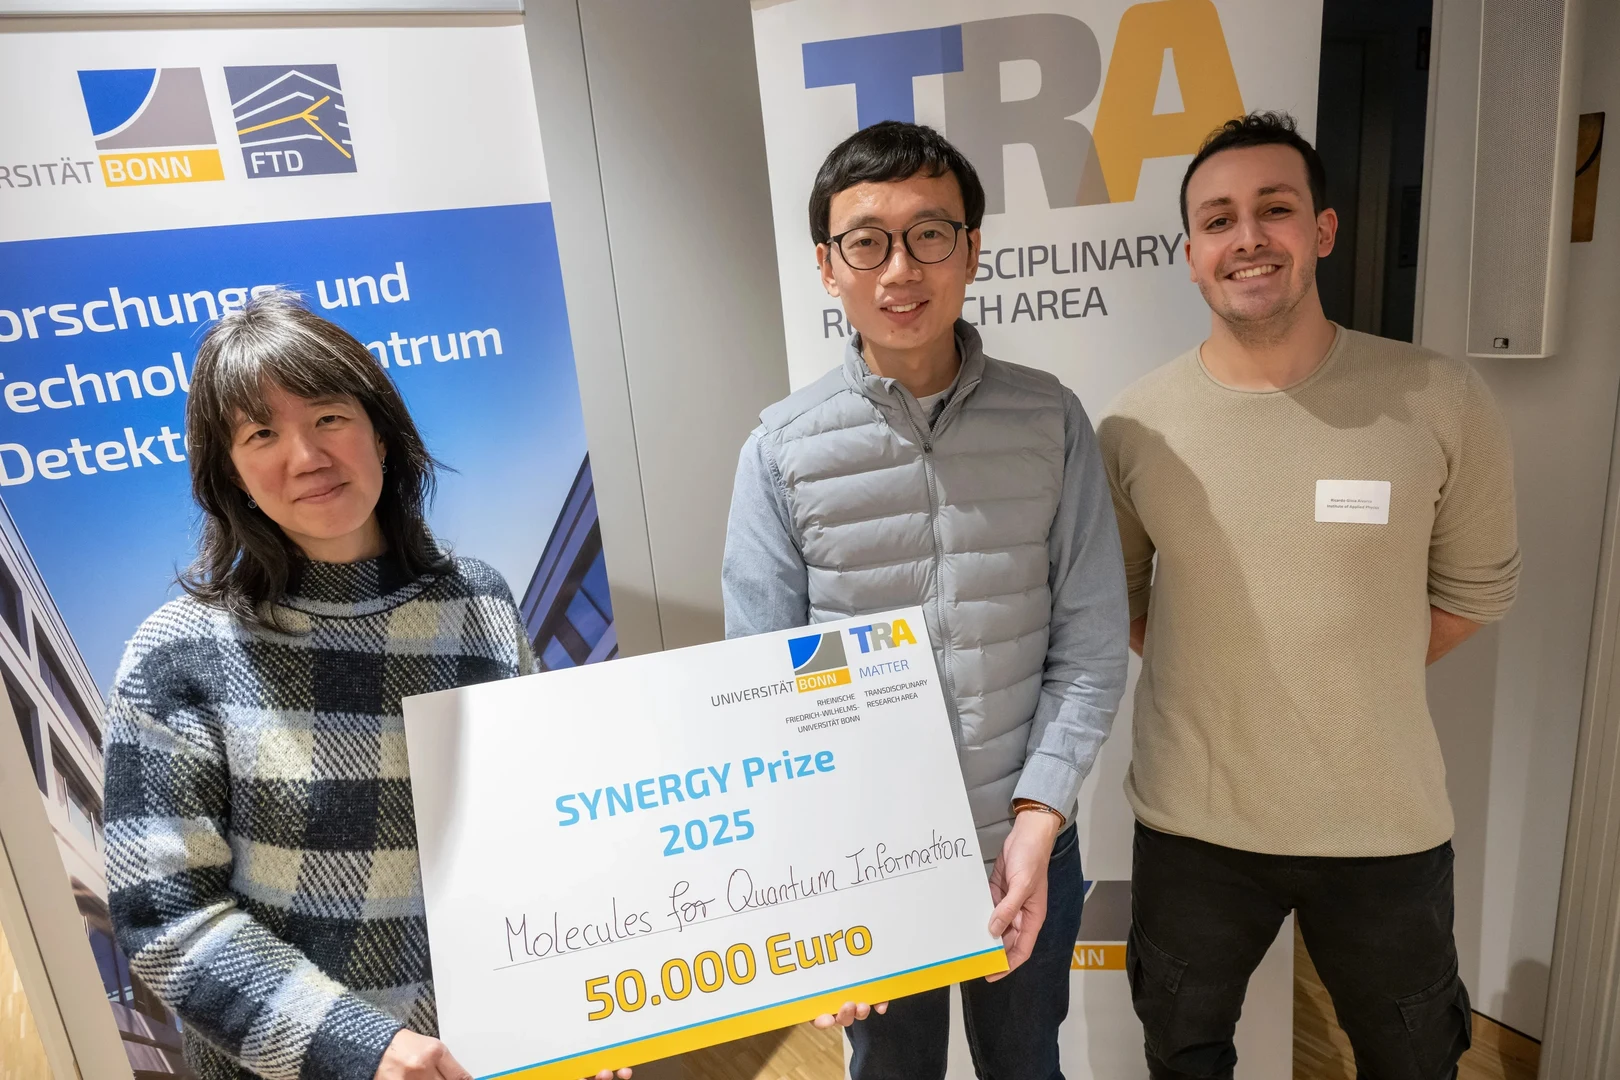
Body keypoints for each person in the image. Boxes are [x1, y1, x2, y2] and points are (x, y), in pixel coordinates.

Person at [103, 293, 631, 1080]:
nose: (306, 456)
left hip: (492, 1055)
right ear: (233, 476)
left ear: (380, 431)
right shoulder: (175, 655)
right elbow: (164, 916)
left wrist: (578, 1008)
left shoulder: (477, 602)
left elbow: (540, 825)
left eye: (327, 417)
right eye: (260, 435)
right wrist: (359, 1045)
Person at [1099, 112, 1521, 1080]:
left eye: (1274, 209)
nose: (1248, 237)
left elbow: (1473, 592)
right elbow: (1121, 601)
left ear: (1322, 230)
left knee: (1412, 1060)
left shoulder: (1438, 399)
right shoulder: (1134, 425)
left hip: (1382, 820)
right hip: (1192, 825)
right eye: (1218, 220)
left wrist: (1345, 669)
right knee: (1184, 1054)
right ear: (1192, 254)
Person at [722, 120, 1129, 1079]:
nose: (900, 268)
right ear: (829, 266)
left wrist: (1040, 816)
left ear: (972, 249)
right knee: (892, 1071)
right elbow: (761, 687)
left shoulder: (1052, 419)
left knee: (1027, 1065)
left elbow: (1092, 641)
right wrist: (814, 877)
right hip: (869, 861)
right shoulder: (781, 451)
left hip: (1028, 842)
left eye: (930, 234)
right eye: (867, 240)